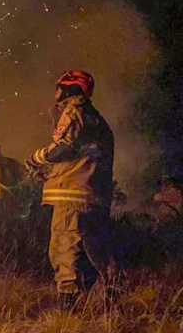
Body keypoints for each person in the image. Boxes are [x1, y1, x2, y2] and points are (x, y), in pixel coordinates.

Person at [25, 70, 115, 310]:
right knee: (93, 251)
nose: (56, 92)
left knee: (63, 249)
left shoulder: (73, 111)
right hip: (94, 195)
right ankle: (111, 298)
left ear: (72, 89)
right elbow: (83, 156)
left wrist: (37, 158)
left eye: (60, 86)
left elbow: (63, 147)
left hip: (71, 195)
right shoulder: (97, 119)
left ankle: (68, 309)